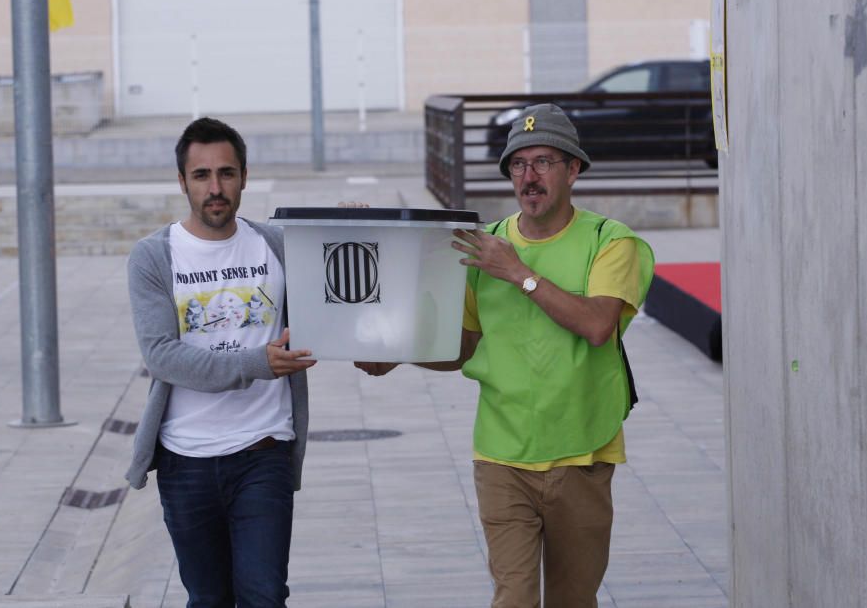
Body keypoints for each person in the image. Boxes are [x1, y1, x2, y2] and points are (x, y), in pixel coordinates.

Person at [357, 103, 654, 608]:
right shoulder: (486, 246)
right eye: (518, 164)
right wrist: (402, 355)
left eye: (543, 162)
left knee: (572, 599)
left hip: (582, 451)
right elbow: (465, 346)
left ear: (573, 169)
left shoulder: (611, 242)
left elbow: (598, 325)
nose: (528, 176)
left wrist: (520, 273)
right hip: (502, 454)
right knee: (513, 597)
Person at [125, 117, 316, 608]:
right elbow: (162, 355)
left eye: (226, 174)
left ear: (244, 177)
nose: (216, 188)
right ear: (183, 182)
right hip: (185, 459)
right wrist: (257, 362)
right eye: (202, 175)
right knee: (209, 598)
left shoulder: (276, 244)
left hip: (263, 449)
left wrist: (363, 220)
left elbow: (337, 283)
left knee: (264, 594)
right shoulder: (154, 256)